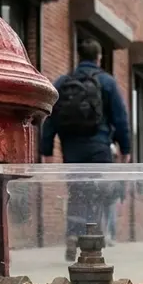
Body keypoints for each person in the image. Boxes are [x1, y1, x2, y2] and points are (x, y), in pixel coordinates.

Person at [40, 37, 131, 261]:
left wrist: (47, 150)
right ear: (99, 58)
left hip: (71, 148)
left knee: (77, 192)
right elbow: (121, 119)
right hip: (99, 147)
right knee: (99, 193)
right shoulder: (107, 82)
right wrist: (125, 148)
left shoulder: (63, 81)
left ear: (79, 56)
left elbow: (50, 119)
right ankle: (91, 242)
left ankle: (73, 236)